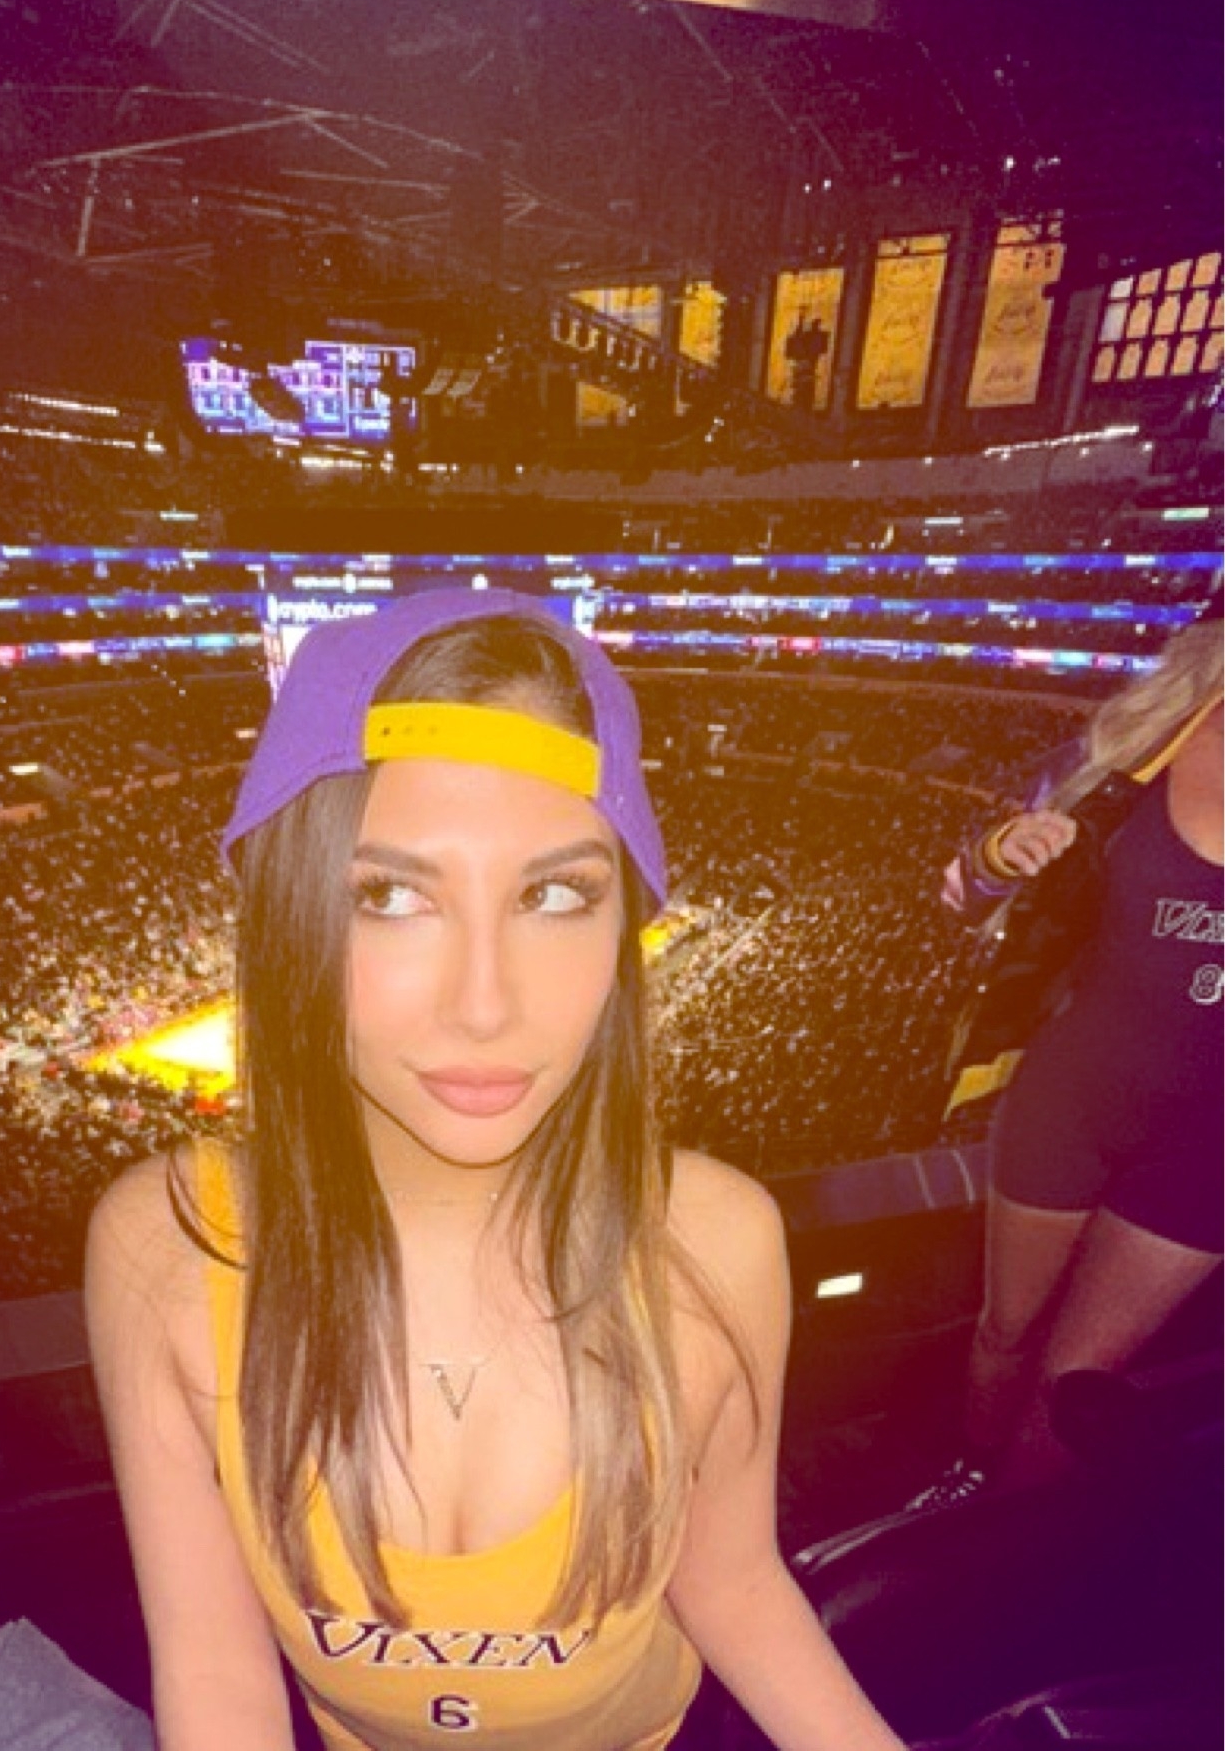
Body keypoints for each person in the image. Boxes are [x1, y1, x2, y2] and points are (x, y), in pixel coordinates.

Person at [85, 588, 906, 1751]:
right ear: (288, 918)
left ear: (622, 928)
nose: (484, 1005)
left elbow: (727, 1578)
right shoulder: (165, 1248)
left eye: (554, 894)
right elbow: (214, 1672)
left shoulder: (717, 1240)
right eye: (389, 897)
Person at [916, 602, 1223, 1509]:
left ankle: (1005, 1538)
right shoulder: (1146, 741)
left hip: (1208, 1148)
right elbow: (963, 895)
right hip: (1076, 1095)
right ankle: (967, 1478)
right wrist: (998, 857)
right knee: (1004, 1334)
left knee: (1075, 1384)